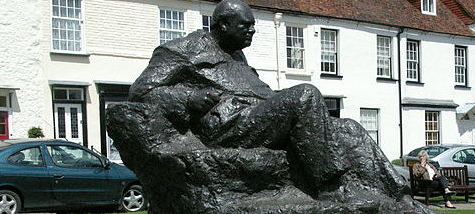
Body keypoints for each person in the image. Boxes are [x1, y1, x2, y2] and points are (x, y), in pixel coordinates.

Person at [128, 0, 407, 202]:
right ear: (223, 25)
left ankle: (400, 197)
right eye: (245, 26)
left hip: (258, 118)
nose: (252, 31)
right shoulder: (181, 50)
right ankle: (329, 188)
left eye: (253, 25)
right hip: (230, 126)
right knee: (305, 94)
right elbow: (142, 92)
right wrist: (190, 97)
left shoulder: (236, 53)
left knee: (348, 128)